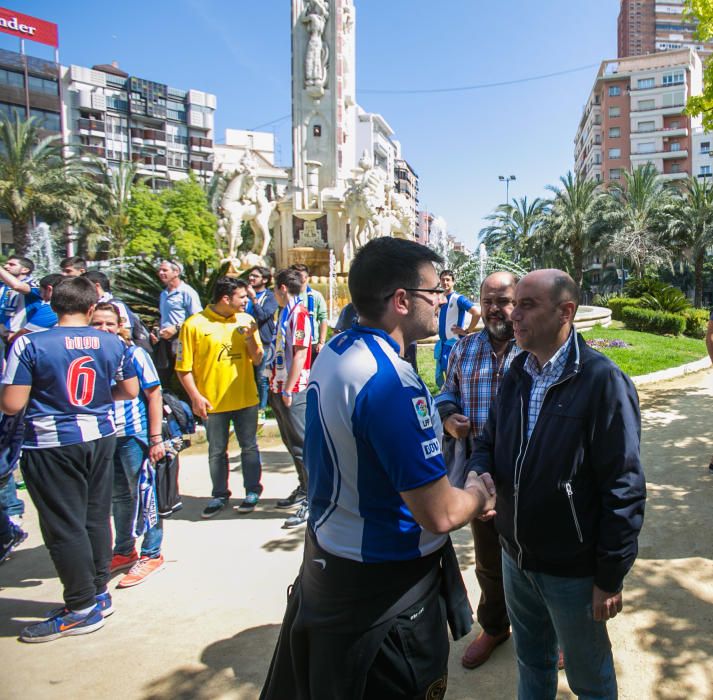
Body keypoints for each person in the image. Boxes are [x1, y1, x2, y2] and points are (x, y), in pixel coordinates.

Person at [261, 237, 497, 700]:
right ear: (402, 300)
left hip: (331, 561)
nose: (443, 301)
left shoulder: (338, 350)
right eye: (435, 293)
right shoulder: (391, 385)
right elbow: (440, 513)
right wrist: (478, 492)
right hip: (385, 591)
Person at [468, 269, 646, 699]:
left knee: (590, 677)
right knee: (533, 662)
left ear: (566, 312)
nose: (513, 314)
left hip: (572, 570)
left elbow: (623, 487)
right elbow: (488, 440)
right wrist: (480, 470)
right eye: (514, 304)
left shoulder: (603, 382)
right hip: (515, 557)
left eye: (527, 305)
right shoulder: (518, 371)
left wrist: (610, 575)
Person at [0, 276, 138, 643]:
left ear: (51, 302)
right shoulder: (113, 342)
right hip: (101, 435)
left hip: (49, 442)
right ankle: (97, 594)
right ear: (92, 307)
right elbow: (129, 390)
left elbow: (12, 403)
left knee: (64, 526)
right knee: (95, 517)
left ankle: (79, 608)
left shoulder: (29, 343)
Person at [435, 271, 521, 670]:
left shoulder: (532, 348)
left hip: (527, 477)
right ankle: (495, 626)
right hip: (479, 478)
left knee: (537, 557)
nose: (493, 308)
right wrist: (450, 417)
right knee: (487, 559)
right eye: (487, 300)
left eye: (502, 300)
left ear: (518, 301)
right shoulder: (463, 349)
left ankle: (551, 630)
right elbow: (447, 391)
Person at [90, 302, 166, 588]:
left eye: (110, 323)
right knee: (119, 496)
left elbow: (154, 394)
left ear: (120, 324)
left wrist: (155, 437)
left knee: (146, 494)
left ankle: (152, 553)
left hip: (134, 434)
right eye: (97, 323)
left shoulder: (133, 353)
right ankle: (124, 549)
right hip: (106, 434)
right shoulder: (89, 354)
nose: (104, 329)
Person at [175, 276, 264, 518]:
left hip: (246, 398)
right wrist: (195, 397)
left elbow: (257, 359)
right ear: (226, 298)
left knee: (249, 447)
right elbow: (183, 368)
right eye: (242, 297)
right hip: (213, 402)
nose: (247, 300)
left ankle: (252, 491)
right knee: (216, 451)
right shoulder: (194, 325)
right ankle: (219, 494)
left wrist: (249, 337)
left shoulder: (246, 320)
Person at [268, 268, 312, 529]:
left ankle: (313, 500)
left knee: (302, 445)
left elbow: (299, 354)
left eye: (275, 290)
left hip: (293, 389)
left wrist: (289, 388)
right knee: (290, 441)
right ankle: (304, 488)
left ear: (283, 288)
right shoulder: (284, 312)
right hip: (279, 385)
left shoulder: (300, 315)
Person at [155, 260, 202, 387]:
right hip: (165, 341)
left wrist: (176, 328)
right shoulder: (163, 294)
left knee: (183, 378)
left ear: (176, 272)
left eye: (165, 270)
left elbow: (197, 317)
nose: (161, 273)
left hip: (182, 340)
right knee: (163, 377)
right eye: (160, 270)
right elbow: (164, 316)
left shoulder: (187, 292)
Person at [434, 269, 480, 388]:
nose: (445, 282)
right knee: (447, 378)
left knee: (457, 378)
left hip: (454, 344)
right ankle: (449, 400)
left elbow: (476, 313)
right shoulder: (441, 299)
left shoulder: (458, 298)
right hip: (444, 344)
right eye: (443, 280)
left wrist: (467, 331)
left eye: (448, 280)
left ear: (453, 282)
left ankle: (459, 401)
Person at [245, 266, 278, 422]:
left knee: (261, 377)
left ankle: (261, 409)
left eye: (255, 276)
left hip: (263, 341)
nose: (251, 278)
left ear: (264, 280)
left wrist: (254, 299)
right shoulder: (242, 296)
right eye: (250, 276)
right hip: (245, 340)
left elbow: (264, 315)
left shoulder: (270, 297)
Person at [290, 263, 327, 357]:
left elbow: (323, 318)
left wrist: (321, 342)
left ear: (306, 278)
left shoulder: (316, 296)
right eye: (294, 275)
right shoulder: (289, 295)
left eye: (299, 275)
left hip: (312, 343)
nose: (295, 278)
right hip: (292, 341)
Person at [0, 256, 39, 339]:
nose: (6, 266)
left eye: (11, 264)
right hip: (3, 335)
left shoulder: (34, 284)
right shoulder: (3, 285)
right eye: (6, 264)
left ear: (25, 270)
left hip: (20, 336)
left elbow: (17, 286)